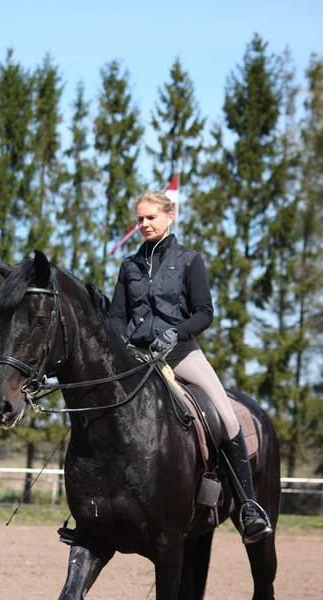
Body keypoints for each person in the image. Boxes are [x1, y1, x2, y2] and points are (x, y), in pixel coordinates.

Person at [107, 189, 272, 545]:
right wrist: (119, 343)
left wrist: (175, 333)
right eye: (140, 219)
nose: (145, 224)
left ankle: (248, 507)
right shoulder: (129, 266)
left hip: (182, 354)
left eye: (151, 217)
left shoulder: (189, 260)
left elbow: (204, 313)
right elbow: (117, 316)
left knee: (227, 417)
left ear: (170, 217)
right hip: (139, 357)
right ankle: (96, 508)